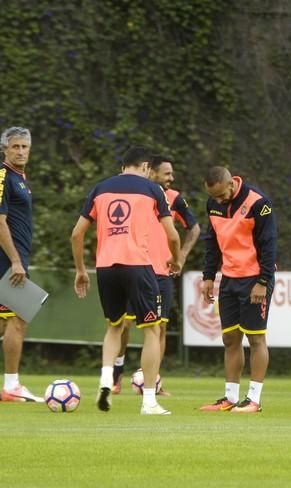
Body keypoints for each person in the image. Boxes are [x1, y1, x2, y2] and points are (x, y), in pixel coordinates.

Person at [70, 146, 183, 415]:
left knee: (114, 327)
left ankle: (106, 380)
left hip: (106, 267)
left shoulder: (100, 189)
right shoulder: (152, 190)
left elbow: (76, 235)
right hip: (138, 265)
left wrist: (81, 270)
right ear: (145, 167)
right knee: (152, 331)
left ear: (123, 166)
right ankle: (149, 401)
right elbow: (173, 237)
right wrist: (176, 260)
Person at [112, 154, 200, 395]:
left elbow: (194, 227)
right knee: (124, 324)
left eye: (172, 174)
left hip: (162, 272)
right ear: (151, 173)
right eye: (167, 174)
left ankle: (154, 381)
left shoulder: (173, 199)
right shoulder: (135, 196)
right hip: (135, 267)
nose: (171, 178)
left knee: (158, 328)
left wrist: (180, 256)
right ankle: (116, 374)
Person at [199, 166, 277, 414]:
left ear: (231, 183)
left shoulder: (258, 203)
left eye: (222, 195)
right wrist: (209, 276)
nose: (219, 201)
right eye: (215, 197)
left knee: (256, 338)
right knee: (230, 338)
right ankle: (230, 397)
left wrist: (263, 281)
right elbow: (212, 242)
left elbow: (269, 243)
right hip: (229, 279)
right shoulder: (212, 204)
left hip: (255, 278)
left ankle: (254, 399)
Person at [0, 127, 43, 402]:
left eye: (24, 147)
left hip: (16, 258)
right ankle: (12, 386)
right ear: (5, 149)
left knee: (9, 322)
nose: (21, 151)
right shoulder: (4, 176)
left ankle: (11, 386)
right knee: (20, 317)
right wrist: (15, 260)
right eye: (15, 146)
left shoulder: (20, 179)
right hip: (7, 259)